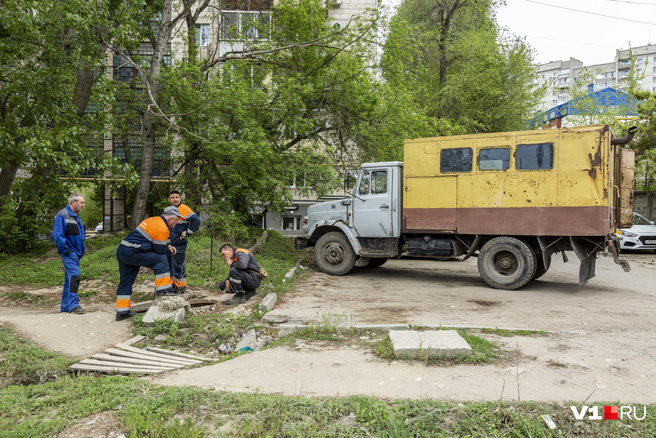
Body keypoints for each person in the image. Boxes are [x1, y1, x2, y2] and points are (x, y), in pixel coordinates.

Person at [115, 208, 183, 321]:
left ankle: (122, 312)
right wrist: (165, 248)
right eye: (176, 221)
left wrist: (167, 245)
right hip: (134, 252)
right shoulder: (162, 228)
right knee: (161, 260)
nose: (176, 224)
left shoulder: (154, 220)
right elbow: (159, 251)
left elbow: (153, 239)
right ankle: (164, 292)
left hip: (124, 250)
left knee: (125, 281)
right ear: (171, 219)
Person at [52, 193, 87, 314]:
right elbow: (57, 234)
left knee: (69, 279)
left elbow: (80, 235)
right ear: (73, 202)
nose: (83, 205)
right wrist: (66, 250)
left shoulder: (75, 216)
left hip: (76, 253)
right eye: (81, 202)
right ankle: (73, 304)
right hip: (69, 253)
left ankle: (66, 306)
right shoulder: (63, 214)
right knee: (74, 276)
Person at [166, 190, 201, 294]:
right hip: (169, 243)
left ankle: (180, 290)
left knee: (178, 267)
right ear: (169, 200)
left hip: (179, 244)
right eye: (172, 197)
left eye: (177, 197)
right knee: (169, 267)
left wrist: (187, 233)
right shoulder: (169, 210)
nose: (175, 199)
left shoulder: (184, 209)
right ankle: (171, 289)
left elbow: (196, 221)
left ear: (180, 198)